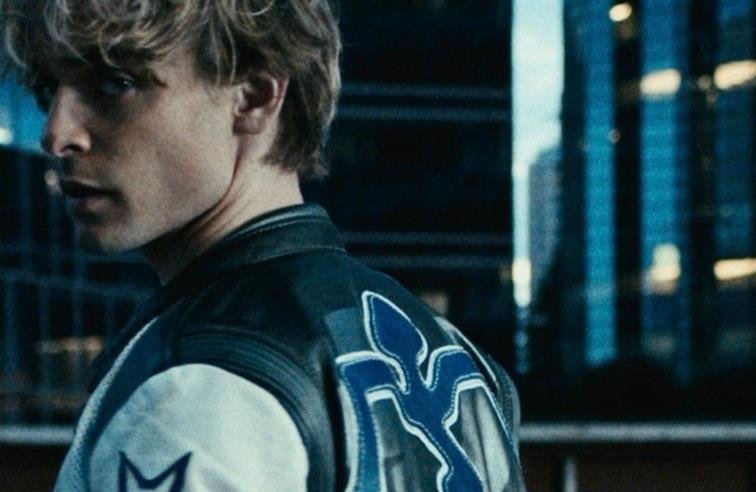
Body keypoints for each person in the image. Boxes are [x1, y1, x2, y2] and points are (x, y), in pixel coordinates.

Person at [1, 1, 525, 490]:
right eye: (49, 91)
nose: (57, 134)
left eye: (115, 84)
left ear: (253, 96)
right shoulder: (457, 352)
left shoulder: (199, 387)